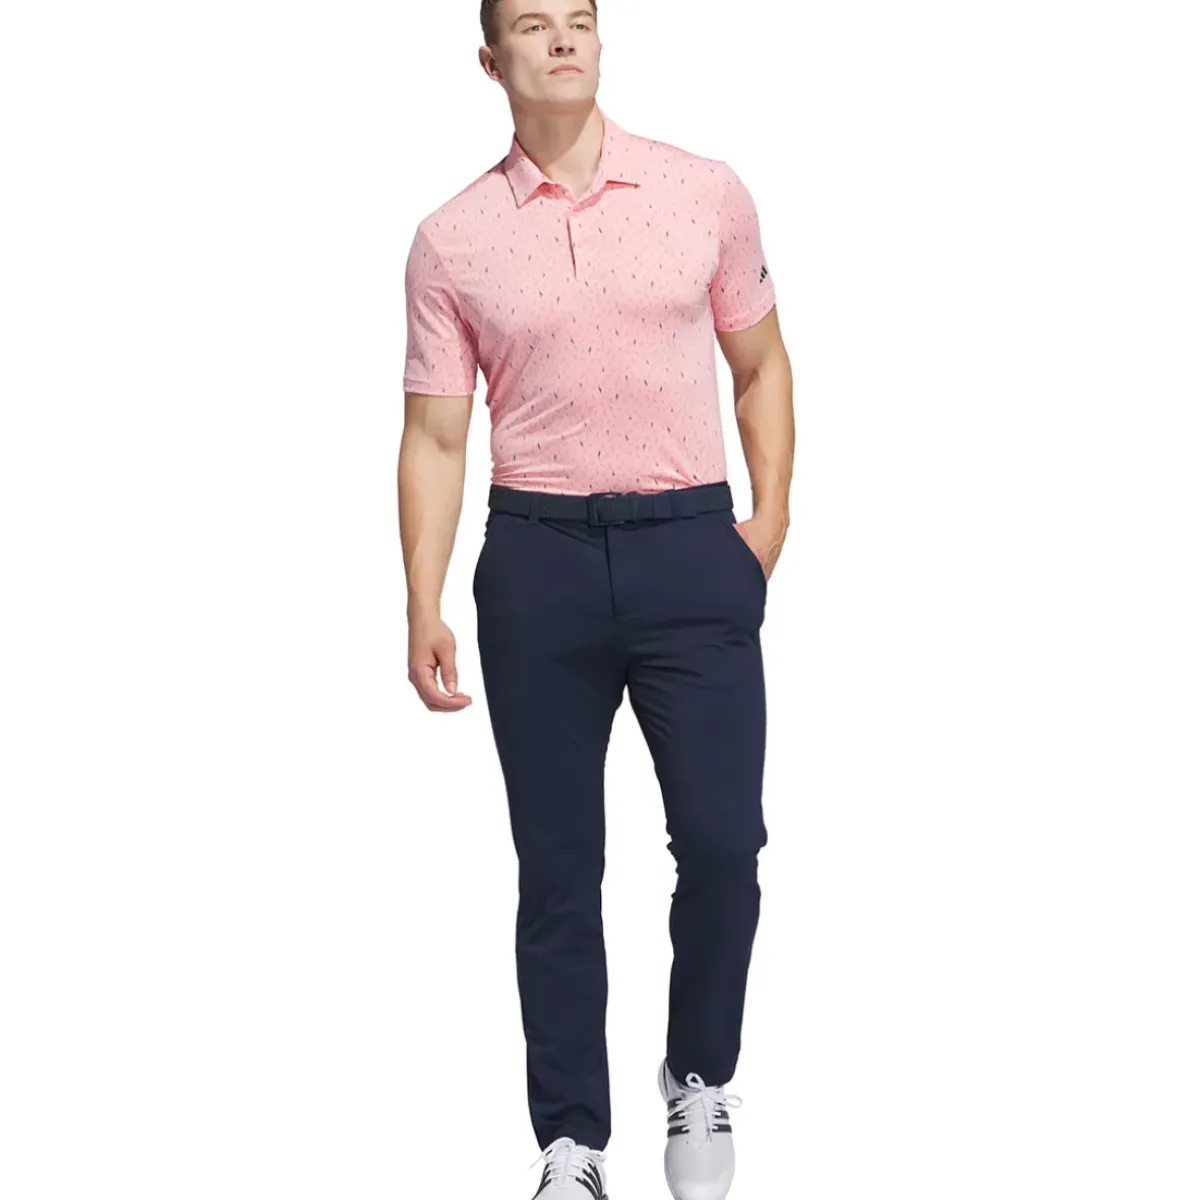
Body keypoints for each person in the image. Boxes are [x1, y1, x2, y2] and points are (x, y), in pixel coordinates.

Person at [398, 2, 794, 1196]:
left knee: (723, 842)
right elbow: (435, 436)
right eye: (534, 24)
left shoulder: (703, 191)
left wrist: (765, 526)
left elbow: (761, 362)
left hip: (691, 548)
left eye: (580, 18)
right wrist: (422, 600)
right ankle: (572, 1143)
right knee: (559, 865)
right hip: (539, 561)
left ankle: (700, 1073)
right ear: (491, 59)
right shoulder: (452, 240)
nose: (563, 38)